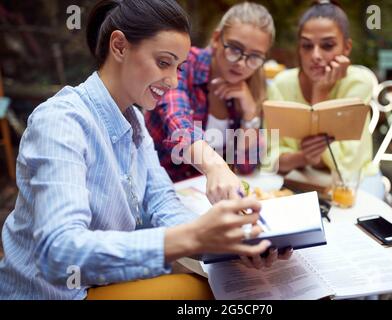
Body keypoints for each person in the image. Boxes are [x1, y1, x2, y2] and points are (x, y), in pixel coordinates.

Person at [0, 0, 291, 300]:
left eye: (179, 68)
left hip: (102, 284)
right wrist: (194, 235)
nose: (174, 80)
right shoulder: (61, 122)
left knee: (232, 284)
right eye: (164, 63)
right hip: (54, 294)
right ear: (120, 46)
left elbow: (162, 204)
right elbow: (59, 252)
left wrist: (231, 242)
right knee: (208, 292)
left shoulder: (135, 120)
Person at [146, 2, 275, 203]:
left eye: (255, 57)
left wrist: (250, 113)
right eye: (234, 49)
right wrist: (217, 166)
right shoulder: (183, 64)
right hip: (161, 194)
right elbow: (178, 123)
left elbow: (246, 165)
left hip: (208, 199)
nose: (241, 63)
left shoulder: (247, 89)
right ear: (216, 39)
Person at [264, 0, 384, 199]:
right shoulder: (281, 85)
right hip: (299, 179)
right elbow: (271, 156)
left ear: (346, 48)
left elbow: (347, 162)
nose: (316, 55)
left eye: (327, 46)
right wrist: (303, 157)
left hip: (356, 180)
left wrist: (320, 93)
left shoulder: (358, 83)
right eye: (307, 46)